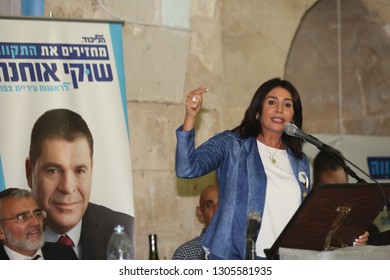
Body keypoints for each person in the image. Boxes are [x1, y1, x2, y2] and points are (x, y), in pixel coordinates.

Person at [175, 78, 368, 260]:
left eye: (287, 105)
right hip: (236, 258)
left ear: (293, 116)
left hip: (285, 260)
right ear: (258, 110)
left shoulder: (299, 161)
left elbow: (304, 220)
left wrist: (347, 232)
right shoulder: (232, 145)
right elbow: (187, 168)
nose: (279, 110)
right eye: (272, 102)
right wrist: (190, 116)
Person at [24, 108, 135, 259]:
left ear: (91, 170)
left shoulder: (130, 232)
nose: (68, 188)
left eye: (80, 171)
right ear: (30, 172)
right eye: (53, 171)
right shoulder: (7, 238)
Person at [312, 149, 388, 245]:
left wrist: (366, 242)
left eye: (342, 188)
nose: (338, 197)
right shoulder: (306, 225)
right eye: (331, 191)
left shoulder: (365, 228)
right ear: (315, 187)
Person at [0, 188, 78, 260]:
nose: (36, 222)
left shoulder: (64, 254)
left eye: (37, 213)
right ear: (1, 231)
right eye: (23, 217)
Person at [172, 184, 218, 260]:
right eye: (209, 205)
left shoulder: (240, 250)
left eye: (221, 205)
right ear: (199, 212)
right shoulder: (185, 255)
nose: (216, 211)